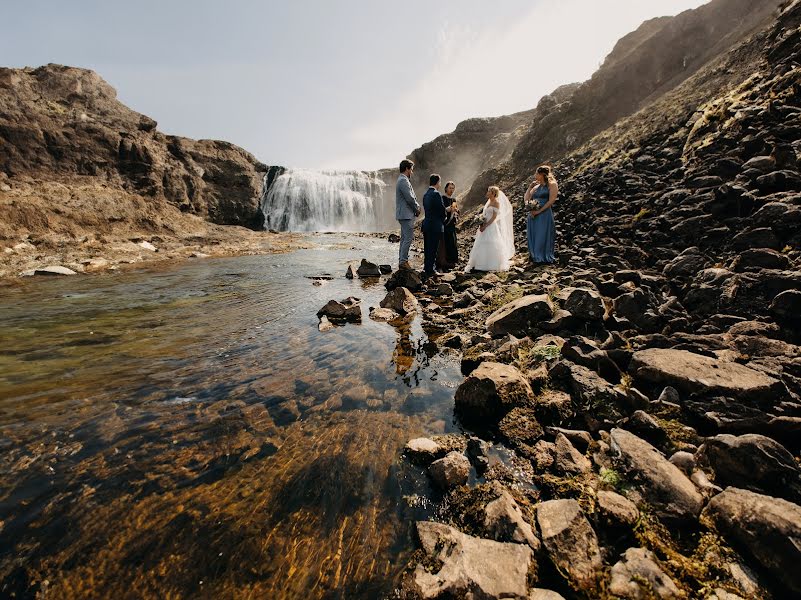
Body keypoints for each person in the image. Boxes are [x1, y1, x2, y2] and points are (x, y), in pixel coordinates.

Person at [464, 185, 515, 272]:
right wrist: (481, 223)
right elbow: (485, 215)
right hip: (484, 225)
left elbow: (494, 217)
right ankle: (479, 263)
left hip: (491, 226)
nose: (487, 193)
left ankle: (492, 264)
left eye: (488, 191)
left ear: (493, 193)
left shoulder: (496, 203)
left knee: (492, 243)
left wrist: (486, 225)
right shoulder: (488, 202)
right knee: (481, 243)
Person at [524, 165, 558, 263]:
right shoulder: (536, 187)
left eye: (536, 173)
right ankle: (534, 255)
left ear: (542, 174)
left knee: (542, 234)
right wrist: (530, 187)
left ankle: (543, 256)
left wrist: (539, 211)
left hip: (544, 214)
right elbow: (526, 199)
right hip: (533, 214)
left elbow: (551, 200)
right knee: (534, 234)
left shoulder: (552, 184)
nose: (535, 175)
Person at [395, 159, 420, 270]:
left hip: (404, 214)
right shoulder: (403, 180)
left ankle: (402, 260)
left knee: (404, 238)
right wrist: (417, 208)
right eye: (411, 169)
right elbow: (409, 198)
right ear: (407, 169)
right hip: (406, 214)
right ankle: (403, 261)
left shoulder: (401, 180)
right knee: (408, 238)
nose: (412, 172)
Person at [421, 173, 447, 275]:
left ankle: (426, 268)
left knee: (427, 248)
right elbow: (442, 210)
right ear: (438, 182)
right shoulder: (436, 194)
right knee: (433, 248)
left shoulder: (425, 194)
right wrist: (443, 220)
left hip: (426, 224)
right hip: (435, 225)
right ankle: (431, 270)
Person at [436, 181, 459, 271]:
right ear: (446, 188)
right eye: (450, 188)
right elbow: (440, 211)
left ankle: (452, 261)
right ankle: (444, 262)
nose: (452, 190)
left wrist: (456, 212)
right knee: (445, 242)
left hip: (451, 224)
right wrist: (447, 209)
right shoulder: (442, 198)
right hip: (445, 224)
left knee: (452, 242)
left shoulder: (454, 200)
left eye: (453, 188)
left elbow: (456, 210)